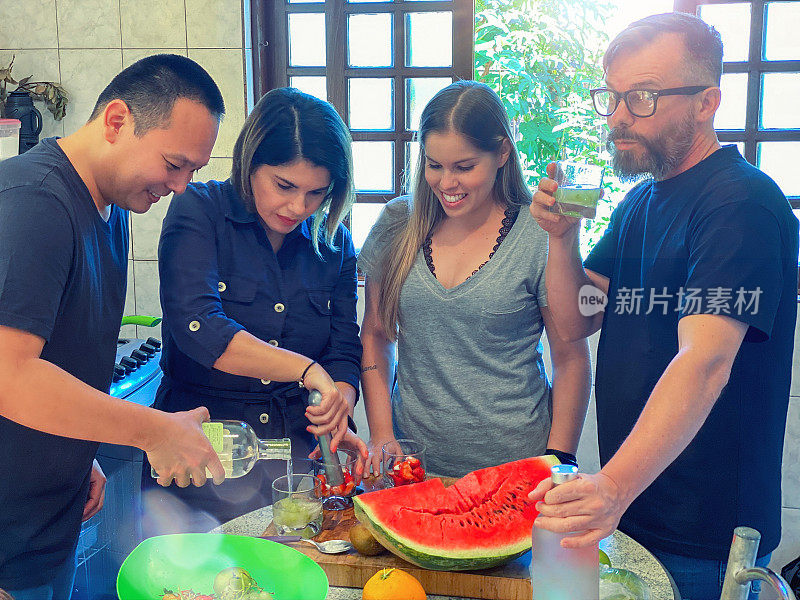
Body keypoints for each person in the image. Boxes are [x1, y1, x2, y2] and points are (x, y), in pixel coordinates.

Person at [528, 13, 798, 600]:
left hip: (708, 537)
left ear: (707, 102)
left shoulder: (739, 203)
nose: (620, 116)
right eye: (613, 96)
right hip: (635, 513)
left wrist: (611, 488)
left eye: (643, 97)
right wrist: (560, 237)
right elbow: (576, 319)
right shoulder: (638, 204)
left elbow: (704, 363)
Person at [0, 54, 228, 598]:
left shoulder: (114, 209)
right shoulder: (34, 203)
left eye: (192, 171)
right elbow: (9, 375)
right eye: (174, 164)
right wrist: (152, 431)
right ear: (117, 121)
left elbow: (63, 358)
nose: (180, 186)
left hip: (46, 529)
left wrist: (85, 449)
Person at [140, 87, 367, 534]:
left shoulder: (334, 240)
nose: (298, 207)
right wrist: (306, 370)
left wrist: (338, 403)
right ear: (249, 163)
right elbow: (199, 328)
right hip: (201, 462)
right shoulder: (200, 210)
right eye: (284, 186)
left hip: (295, 467)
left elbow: (343, 345)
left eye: (316, 193)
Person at [358, 81, 592, 478]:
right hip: (413, 467)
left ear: (502, 152)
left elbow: (570, 358)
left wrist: (561, 460)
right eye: (434, 165)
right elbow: (376, 335)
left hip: (516, 469)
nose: (447, 184)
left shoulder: (539, 235)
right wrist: (381, 433)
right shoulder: (397, 223)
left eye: (464, 167)